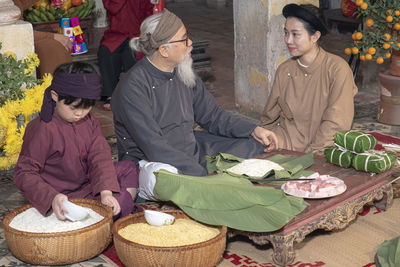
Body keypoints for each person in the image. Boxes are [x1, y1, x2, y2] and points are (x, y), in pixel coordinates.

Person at [111, 9, 278, 179]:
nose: (190, 42)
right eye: (184, 39)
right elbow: (153, 145)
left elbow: (212, 115)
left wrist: (252, 129)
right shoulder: (132, 87)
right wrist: (199, 174)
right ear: (164, 50)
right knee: (182, 181)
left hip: (191, 148)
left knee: (254, 145)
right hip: (153, 161)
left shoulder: (182, 71)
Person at [13, 62, 139, 220]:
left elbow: (100, 157)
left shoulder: (90, 121)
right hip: (66, 199)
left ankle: (115, 209)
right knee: (113, 209)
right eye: (73, 107)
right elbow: (23, 173)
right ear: (55, 96)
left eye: (86, 108)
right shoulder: (42, 129)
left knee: (129, 167)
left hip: (91, 185)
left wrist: (106, 192)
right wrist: (52, 198)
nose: (79, 113)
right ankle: (119, 210)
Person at [260, 4, 358, 152]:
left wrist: (312, 155)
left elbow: (336, 124)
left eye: (295, 34)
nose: (288, 40)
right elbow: (269, 117)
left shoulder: (337, 69)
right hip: (284, 143)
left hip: (321, 150)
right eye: (286, 33)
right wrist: (264, 141)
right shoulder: (284, 70)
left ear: (315, 36)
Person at [98, 0, 153, 110]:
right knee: (106, 51)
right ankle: (111, 94)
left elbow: (150, 13)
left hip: (138, 33)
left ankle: (134, 95)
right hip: (116, 34)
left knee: (131, 55)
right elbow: (113, 8)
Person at [13, 0, 72, 77]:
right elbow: (11, 31)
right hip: (12, 37)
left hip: (21, 33)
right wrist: (51, 36)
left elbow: (18, 4)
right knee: (52, 46)